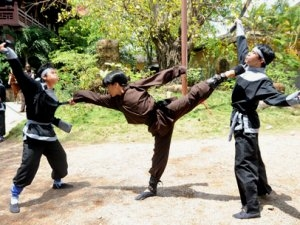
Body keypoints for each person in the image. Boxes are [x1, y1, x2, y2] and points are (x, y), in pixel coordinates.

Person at [70, 65, 244, 201]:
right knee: (160, 155)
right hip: (158, 127)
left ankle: (221, 76)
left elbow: (157, 79)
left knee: (193, 96)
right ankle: (152, 187)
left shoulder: (135, 87)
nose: (107, 90)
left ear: (116, 84)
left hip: (167, 111)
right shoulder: (114, 101)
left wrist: (178, 71)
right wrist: (77, 98)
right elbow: (95, 98)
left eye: (109, 87)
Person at [228, 20, 300, 219]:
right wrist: (239, 25)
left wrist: (295, 98)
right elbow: (242, 43)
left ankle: (251, 208)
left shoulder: (262, 81)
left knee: (244, 163)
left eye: (253, 53)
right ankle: (263, 189)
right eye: (250, 51)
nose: (248, 53)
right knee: (254, 157)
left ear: (260, 61)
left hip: (246, 125)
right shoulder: (245, 65)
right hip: (242, 120)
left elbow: (279, 99)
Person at [0, 42, 73, 214]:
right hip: (34, 135)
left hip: (48, 133)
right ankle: (15, 195)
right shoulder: (34, 87)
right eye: (52, 72)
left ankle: (57, 181)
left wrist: (64, 107)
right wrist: (7, 51)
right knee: (29, 166)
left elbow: (47, 112)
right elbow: (19, 72)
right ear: (45, 77)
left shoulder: (51, 92)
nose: (56, 74)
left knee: (61, 161)